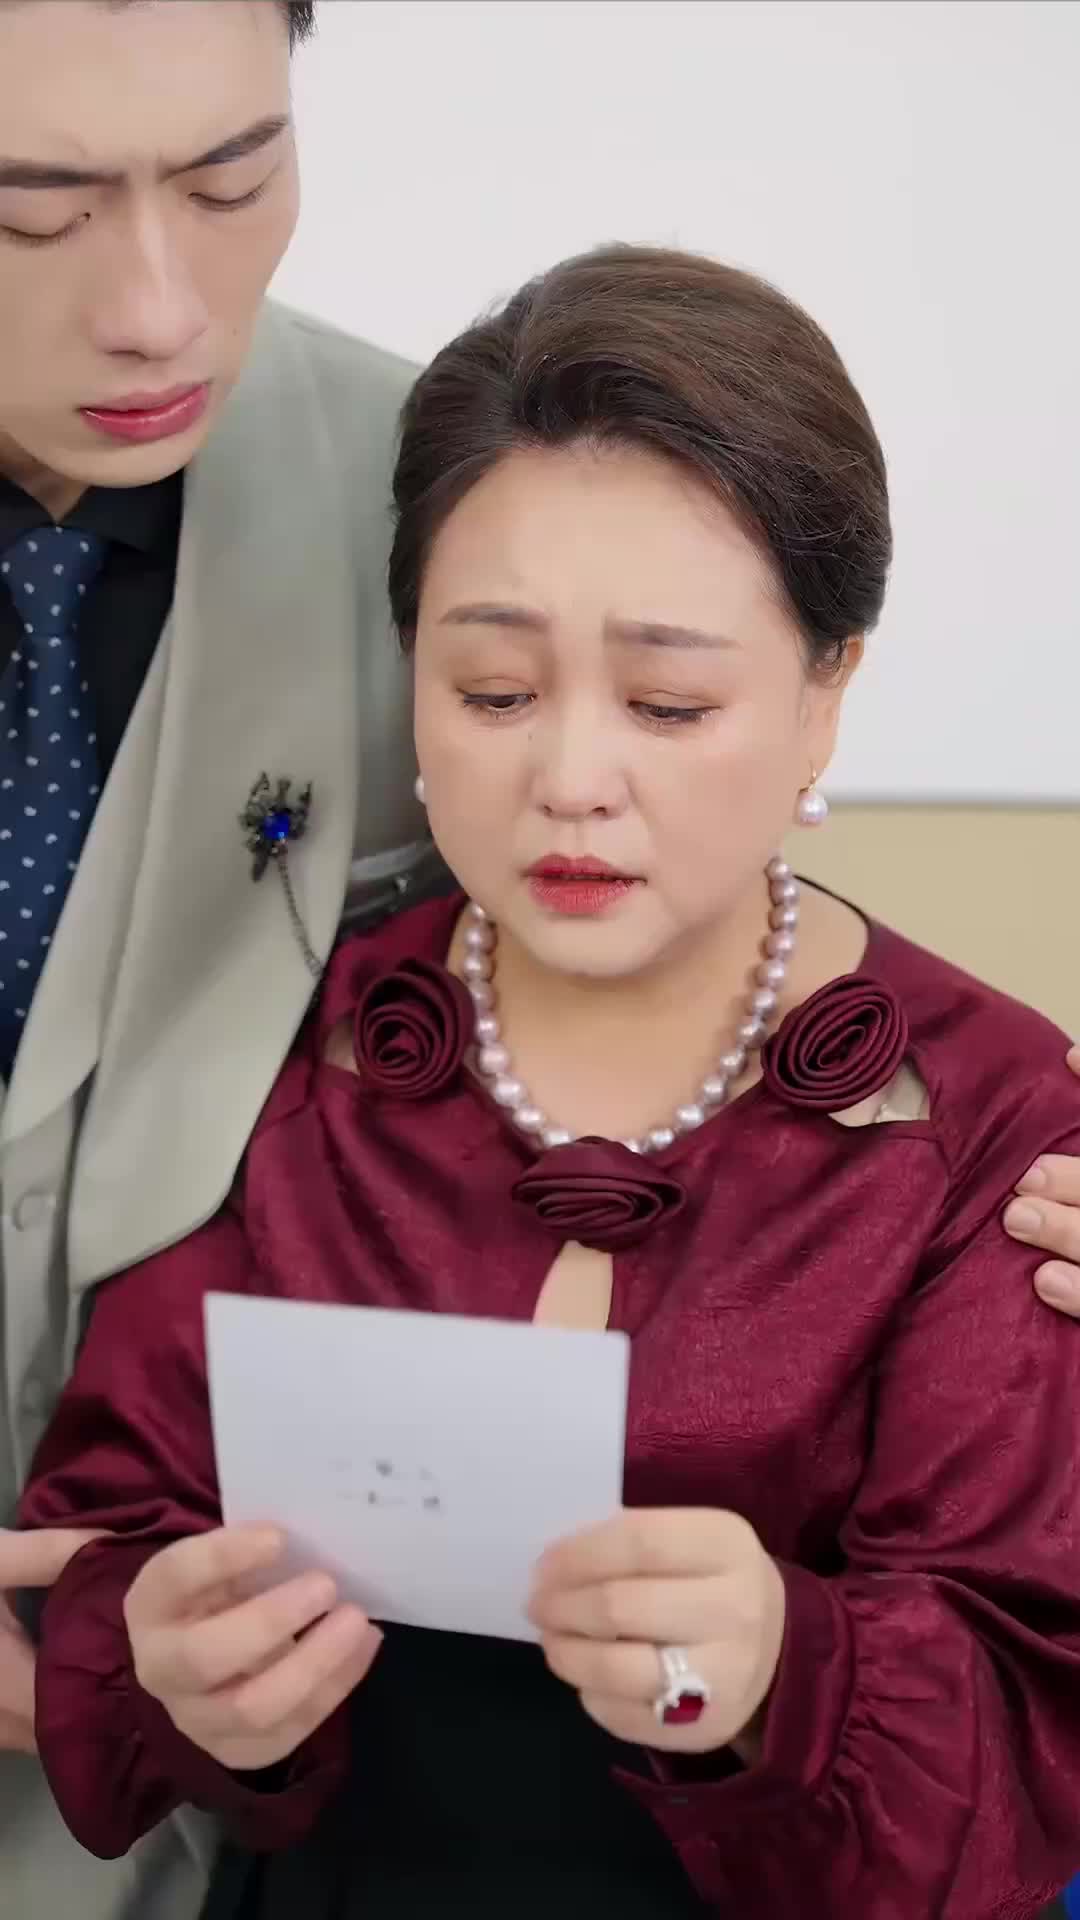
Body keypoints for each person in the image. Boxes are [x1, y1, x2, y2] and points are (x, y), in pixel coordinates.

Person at [1, 8, 1079, 1920]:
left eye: (670, 702)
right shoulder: (315, 1041)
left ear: (827, 694)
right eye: (493, 691)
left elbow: (1020, 1725)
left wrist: (793, 1671)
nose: (572, 776)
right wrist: (174, 1663)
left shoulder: (987, 1119)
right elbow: (130, 1534)